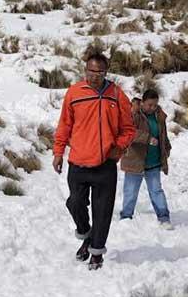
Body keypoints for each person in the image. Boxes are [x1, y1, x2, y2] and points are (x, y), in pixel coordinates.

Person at [53, 53, 136, 270]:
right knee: (75, 202)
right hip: (78, 162)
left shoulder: (117, 95)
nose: (95, 76)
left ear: (106, 72)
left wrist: (118, 148)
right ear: (85, 70)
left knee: (103, 211)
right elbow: (64, 125)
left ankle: (97, 252)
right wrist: (58, 152)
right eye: (91, 71)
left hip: (106, 164)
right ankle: (86, 235)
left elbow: (128, 128)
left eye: (99, 72)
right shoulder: (74, 93)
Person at [120, 89, 173, 229]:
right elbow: (129, 132)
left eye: (155, 105)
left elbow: (163, 135)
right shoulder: (134, 114)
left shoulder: (159, 116)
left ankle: (164, 217)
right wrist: (147, 138)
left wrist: (166, 148)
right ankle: (126, 217)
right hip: (135, 161)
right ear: (142, 102)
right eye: (149, 105)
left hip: (154, 162)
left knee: (156, 191)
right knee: (130, 191)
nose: (152, 108)